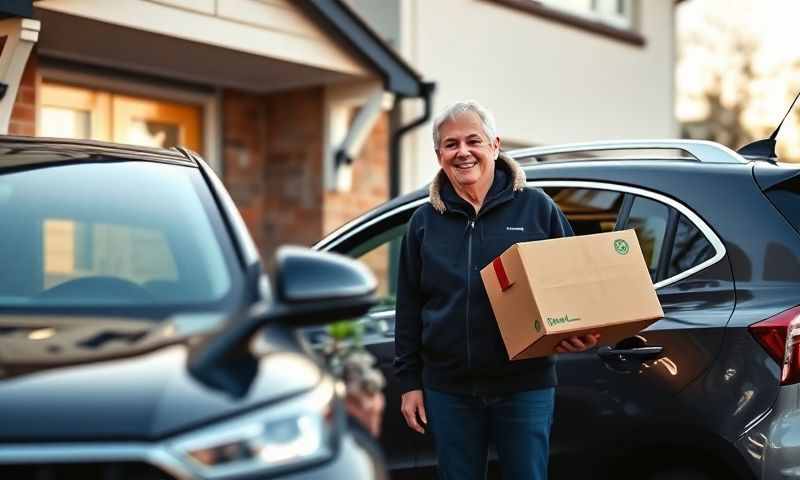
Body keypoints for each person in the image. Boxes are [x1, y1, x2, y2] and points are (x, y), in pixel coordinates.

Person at [394, 100, 599, 480]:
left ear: (495, 146)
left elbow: (575, 288)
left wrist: (578, 334)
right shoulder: (423, 223)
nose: (463, 152)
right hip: (448, 389)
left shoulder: (536, 209)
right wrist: (410, 385)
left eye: (474, 141)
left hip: (524, 385)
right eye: (451, 144)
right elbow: (408, 308)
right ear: (439, 155)